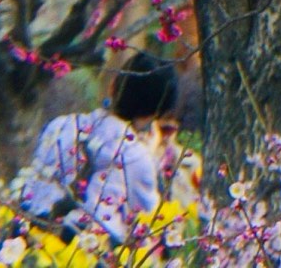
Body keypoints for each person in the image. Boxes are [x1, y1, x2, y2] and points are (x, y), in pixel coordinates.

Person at [16, 51, 183, 244]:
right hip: (85, 253)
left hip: (29, 244)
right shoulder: (135, 156)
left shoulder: (61, 126)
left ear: (113, 86)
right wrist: (149, 155)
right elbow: (151, 222)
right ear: (155, 114)